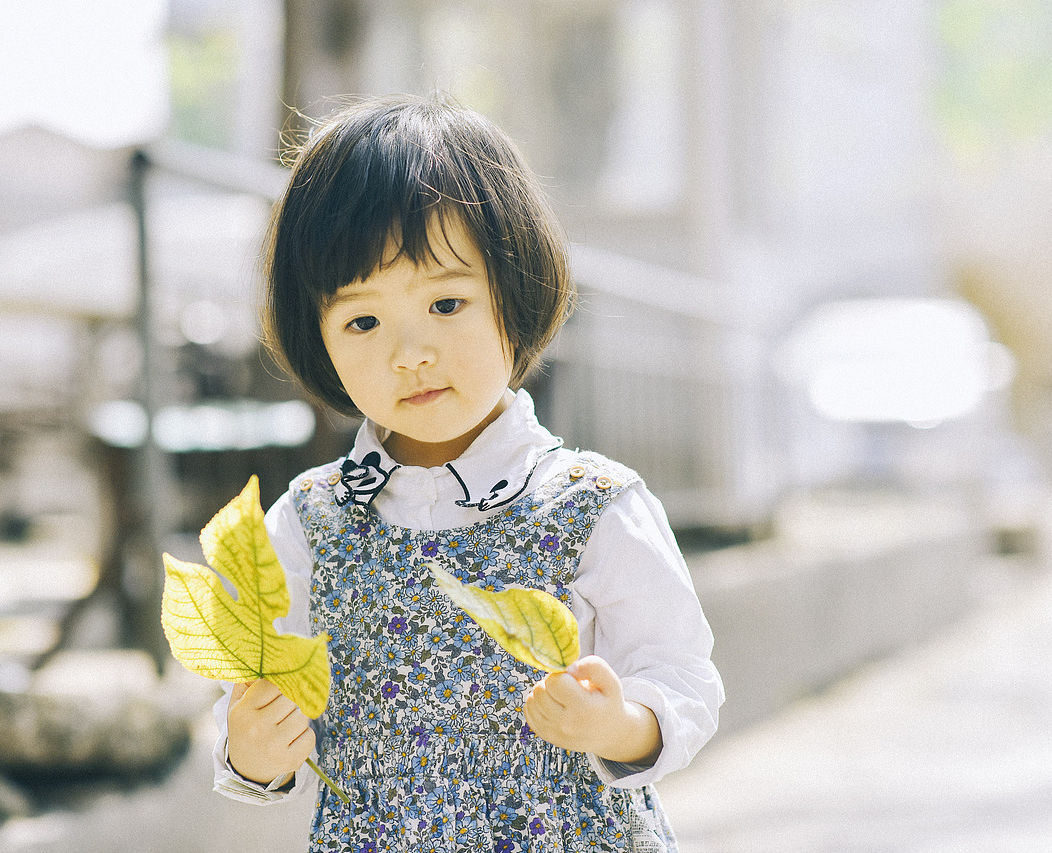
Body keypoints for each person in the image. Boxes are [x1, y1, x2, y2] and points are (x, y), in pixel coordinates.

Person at [211, 93, 723, 852]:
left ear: (513, 294)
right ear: (318, 338)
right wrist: (251, 749)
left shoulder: (591, 504)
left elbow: (681, 673)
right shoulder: (309, 523)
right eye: (362, 320)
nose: (410, 352)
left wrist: (618, 724)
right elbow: (248, 694)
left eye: (446, 304)